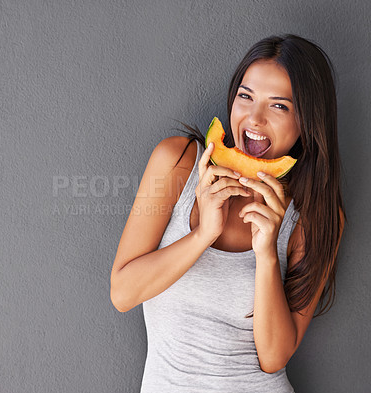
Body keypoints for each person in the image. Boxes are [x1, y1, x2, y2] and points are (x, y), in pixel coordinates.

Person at [110, 33, 346, 393]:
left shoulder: (313, 217)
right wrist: (203, 234)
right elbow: (123, 293)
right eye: (245, 96)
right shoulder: (177, 164)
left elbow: (274, 358)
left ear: (307, 123)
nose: (255, 118)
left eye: (279, 106)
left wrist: (267, 254)